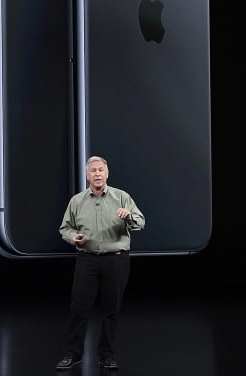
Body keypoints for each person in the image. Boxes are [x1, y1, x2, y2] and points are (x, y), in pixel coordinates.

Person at [55, 156, 145, 371]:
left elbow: (141, 222)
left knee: (111, 309)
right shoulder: (77, 201)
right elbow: (64, 228)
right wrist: (72, 237)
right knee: (79, 308)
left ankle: (107, 355)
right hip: (87, 260)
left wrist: (129, 216)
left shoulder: (122, 197)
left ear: (107, 173)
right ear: (87, 175)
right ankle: (73, 354)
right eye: (93, 170)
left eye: (100, 170)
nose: (97, 174)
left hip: (116, 261)